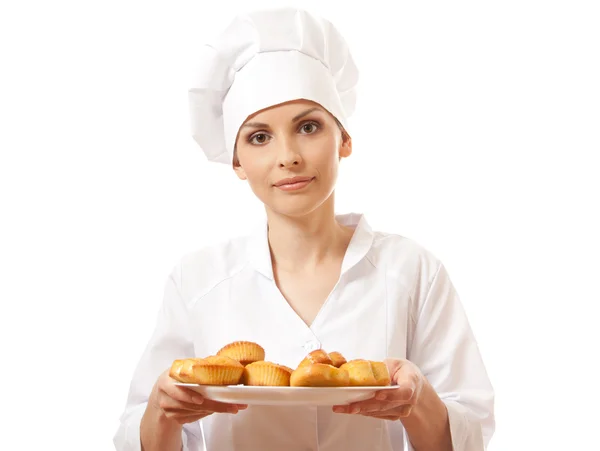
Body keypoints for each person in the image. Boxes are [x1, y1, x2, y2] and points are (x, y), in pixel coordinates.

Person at [113, 7, 495, 451]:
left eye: (308, 127)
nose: (288, 155)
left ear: (344, 138)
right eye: (259, 137)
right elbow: (137, 435)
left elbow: (468, 436)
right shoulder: (197, 279)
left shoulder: (413, 270)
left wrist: (418, 401)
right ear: (237, 161)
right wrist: (161, 410)